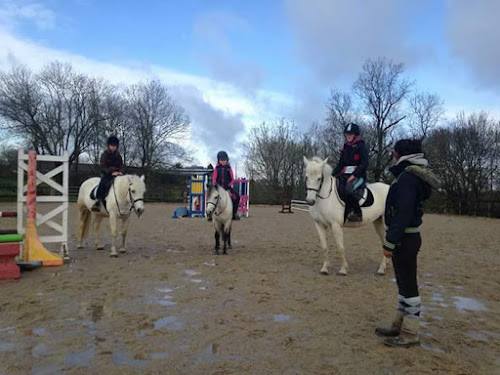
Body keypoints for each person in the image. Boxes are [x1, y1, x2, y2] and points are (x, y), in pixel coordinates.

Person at [376, 139, 440, 348]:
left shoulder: (407, 179)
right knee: (403, 283)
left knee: (409, 285)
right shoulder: (408, 177)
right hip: (407, 237)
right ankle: (399, 324)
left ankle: (411, 333)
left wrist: (390, 242)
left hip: (405, 238)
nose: (392, 155)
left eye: (394, 152)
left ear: (400, 155)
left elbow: (403, 214)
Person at [332, 123, 369, 222]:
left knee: (348, 189)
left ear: (355, 135)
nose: (348, 136)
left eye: (350, 134)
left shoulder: (361, 145)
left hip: (359, 176)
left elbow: (364, 163)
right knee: (336, 188)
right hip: (345, 175)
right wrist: (331, 175)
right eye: (347, 134)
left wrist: (354, 175)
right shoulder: (345, 147)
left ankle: (357, 213)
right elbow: (340, 164)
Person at [92, 135, 124, 212]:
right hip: (106, 173)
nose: (113, 147)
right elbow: (103, 166)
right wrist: (112, 172)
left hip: (117, 174)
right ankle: (98, 201)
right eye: (112, 146)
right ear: (109, 146)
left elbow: (121, 165)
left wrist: (121, 172)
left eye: (115, 146)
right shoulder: (104, 154)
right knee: (102, 183)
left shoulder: (118, 156)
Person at [209, 151, 240, 221]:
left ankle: (234, 213)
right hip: (218, 188)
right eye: (221, 160)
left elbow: (232, 179)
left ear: (227, 160)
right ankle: (210, 214)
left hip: (227, 188)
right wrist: (216, 186)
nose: (223, 162)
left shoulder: (229, 168)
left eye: (224, 160)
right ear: (219, 160)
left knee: (237, 197)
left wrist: (228, 187)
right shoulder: (216, 169)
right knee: (212, 199)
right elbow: (214, 179)